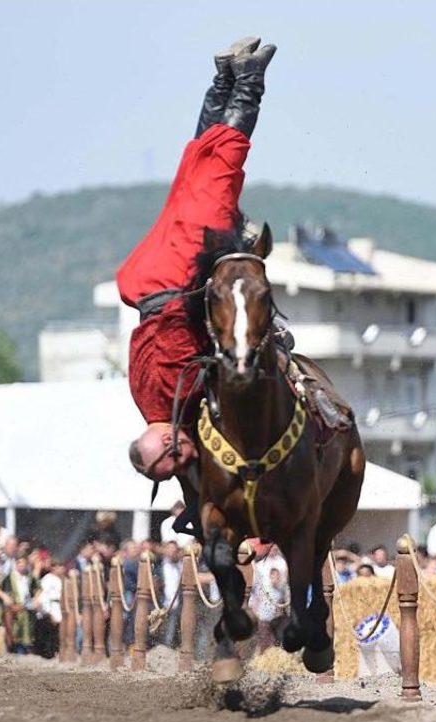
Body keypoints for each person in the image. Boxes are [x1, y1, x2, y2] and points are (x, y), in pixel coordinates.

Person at [117, 36, 277, 500]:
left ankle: (249, 79)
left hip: (173, 273)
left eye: (177, 462)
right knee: (195, 175)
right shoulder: (145, 399)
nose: (187, 461)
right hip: (150, 277)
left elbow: (215, 349)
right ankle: (224, 77)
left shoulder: (177, 405)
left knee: (221, 172)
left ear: (164, 446)